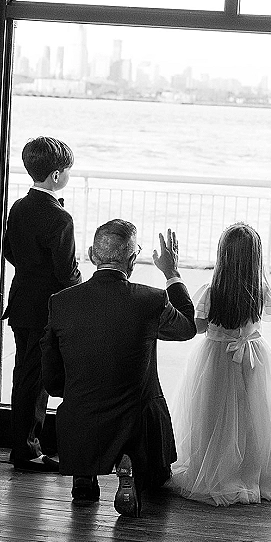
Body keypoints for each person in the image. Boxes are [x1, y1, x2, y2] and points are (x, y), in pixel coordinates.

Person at [41, 221, 196, 515]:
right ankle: (131, 465)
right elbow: (187, 327)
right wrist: (171, 273)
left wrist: (68, 393)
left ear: (91, 254)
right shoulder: (151, 300)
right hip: (134, 420)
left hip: (81, 417)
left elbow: (50, 366)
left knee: (82, 402)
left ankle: (84, 477)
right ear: (133, 260)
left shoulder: (61, 302)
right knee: (147, 405)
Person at [167, 222, 271, 507]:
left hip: (216, 359)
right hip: (255, 357)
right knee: (256, 418)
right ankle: (254, 473)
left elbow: (196, 327)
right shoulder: (260, 290)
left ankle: (219, 472)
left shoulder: (210, 292)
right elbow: (266, 319)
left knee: (213, 417)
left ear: (222, 256)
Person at [3, 136, 81, 472]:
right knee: (37, 379)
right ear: (55, 176)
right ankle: (27, 451)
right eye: (67, 171)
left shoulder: (19, 206)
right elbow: (67, 272)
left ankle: (24, 445)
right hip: (46, 308)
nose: (68, 176)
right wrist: (83, 290)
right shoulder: (60, 218)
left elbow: (8, 252)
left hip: (22, 302)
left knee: (25, 376)